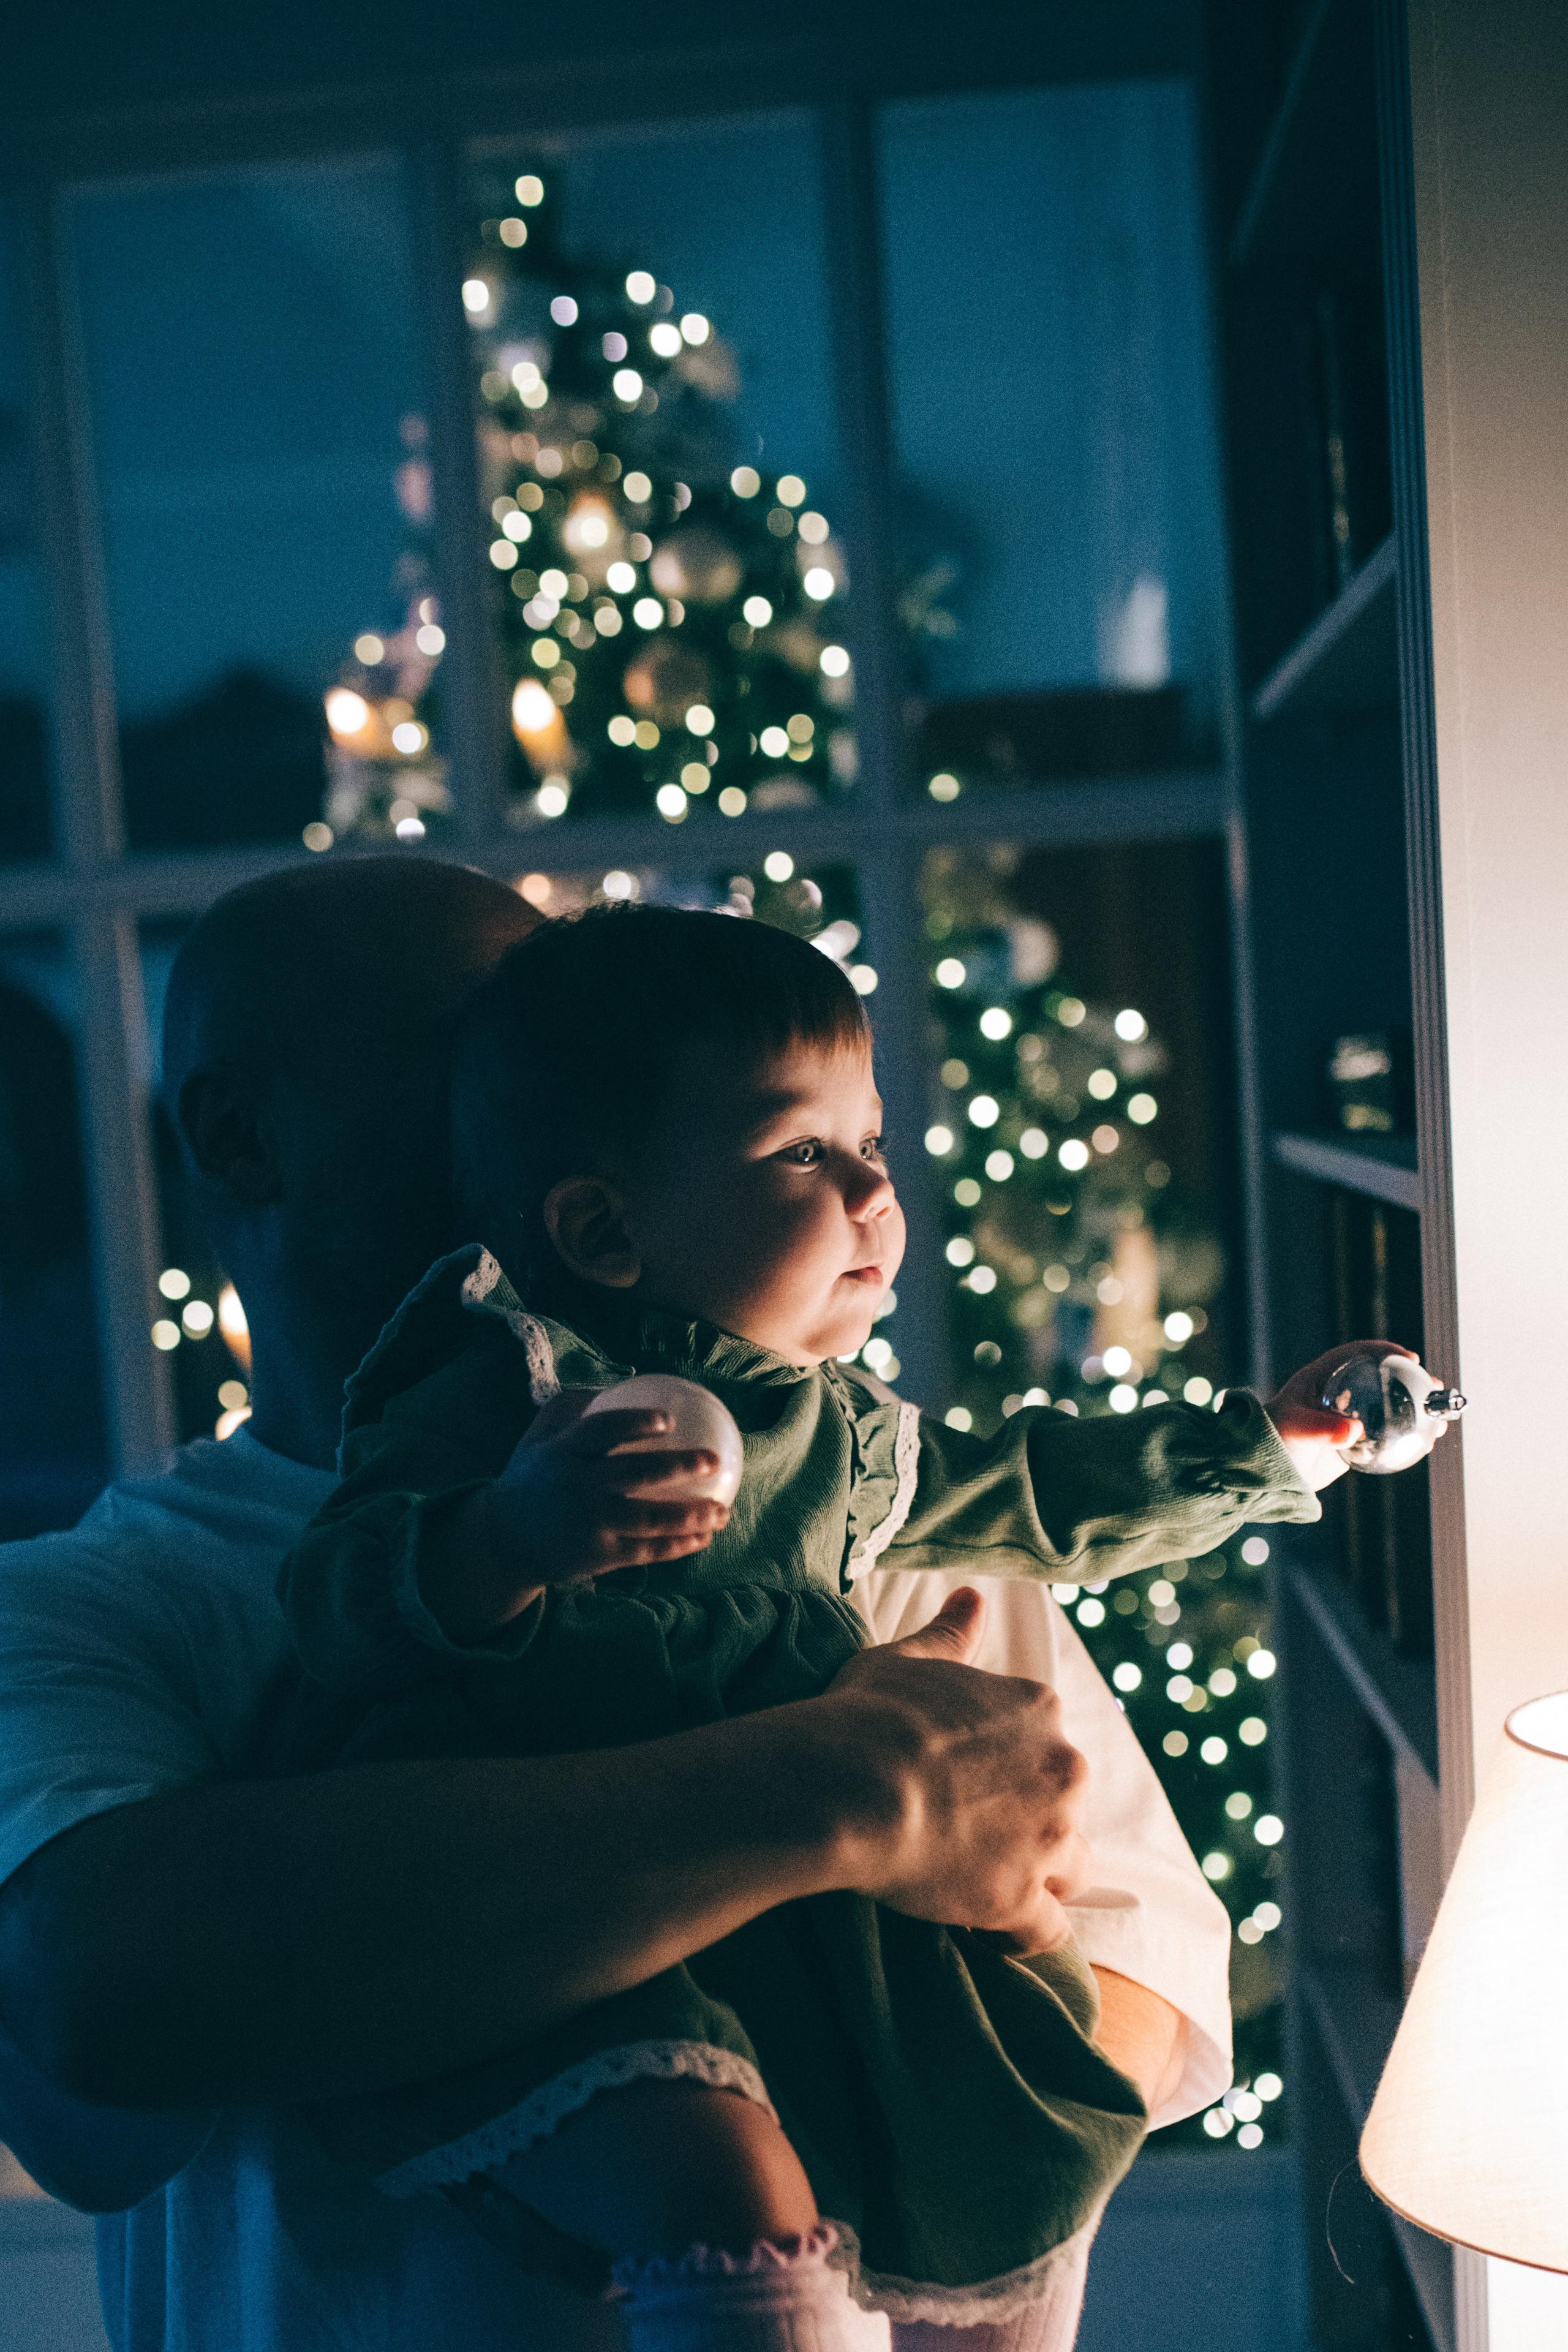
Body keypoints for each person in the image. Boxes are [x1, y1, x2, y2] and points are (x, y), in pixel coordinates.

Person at [0, 857, 1236, 2352]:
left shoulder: (850, 1492)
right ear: (241, 1135)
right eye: (502, 1050)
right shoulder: (91, 1607)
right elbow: (106, 1994)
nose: (595, 1088)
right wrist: (839, 1795)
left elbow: (1138, 1992)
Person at [271, 904, 1354, 2351]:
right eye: (800, 1152)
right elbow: (337, 1608)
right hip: (566, 1937)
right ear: (601, 1228)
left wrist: (1266, 1448)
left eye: (873, 1145)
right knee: (711, 2178)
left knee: (974, 2127)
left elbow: (1041, 1489)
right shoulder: (504, 1390)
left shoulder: (840, 1437)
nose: (871, 1190)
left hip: (786, 1942)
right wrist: (507, 1538)